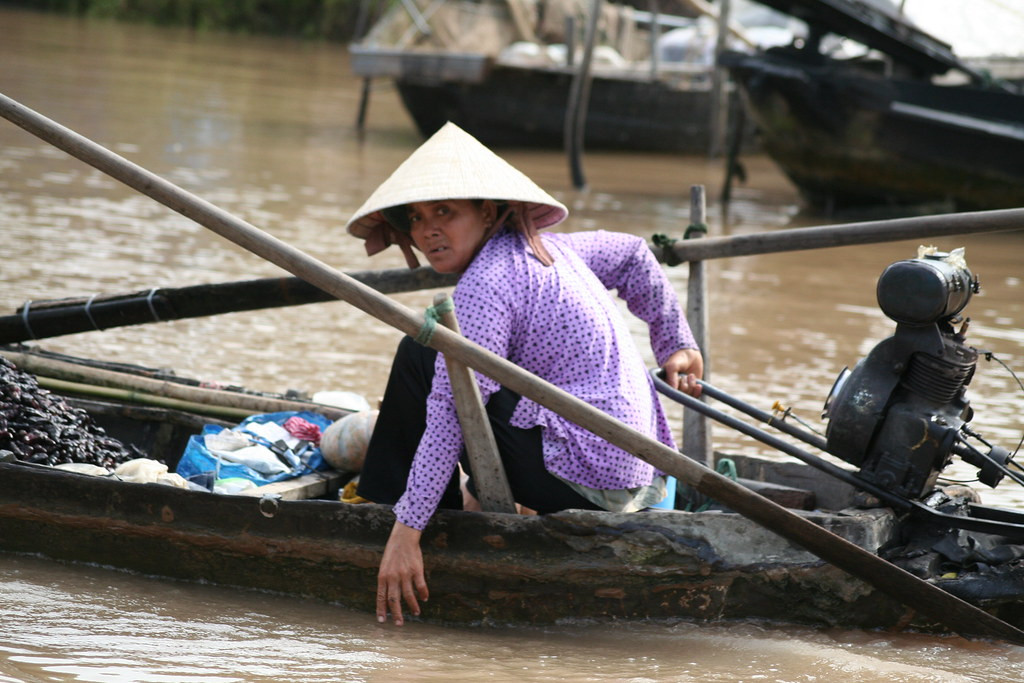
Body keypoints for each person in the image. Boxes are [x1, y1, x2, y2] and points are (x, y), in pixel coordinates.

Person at [345, 123, 703, 626]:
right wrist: (677, 341)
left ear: (488, 212)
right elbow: (631, 254)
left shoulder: (486, 283)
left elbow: (449, 413)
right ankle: (437, 499)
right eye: (417, 218)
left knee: (420, 351)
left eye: (445, 212)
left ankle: (403, 509)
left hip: (589, 480)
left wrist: (407, 530)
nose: (427, 231)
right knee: (448, 360)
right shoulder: (552, 248)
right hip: (637, 473)